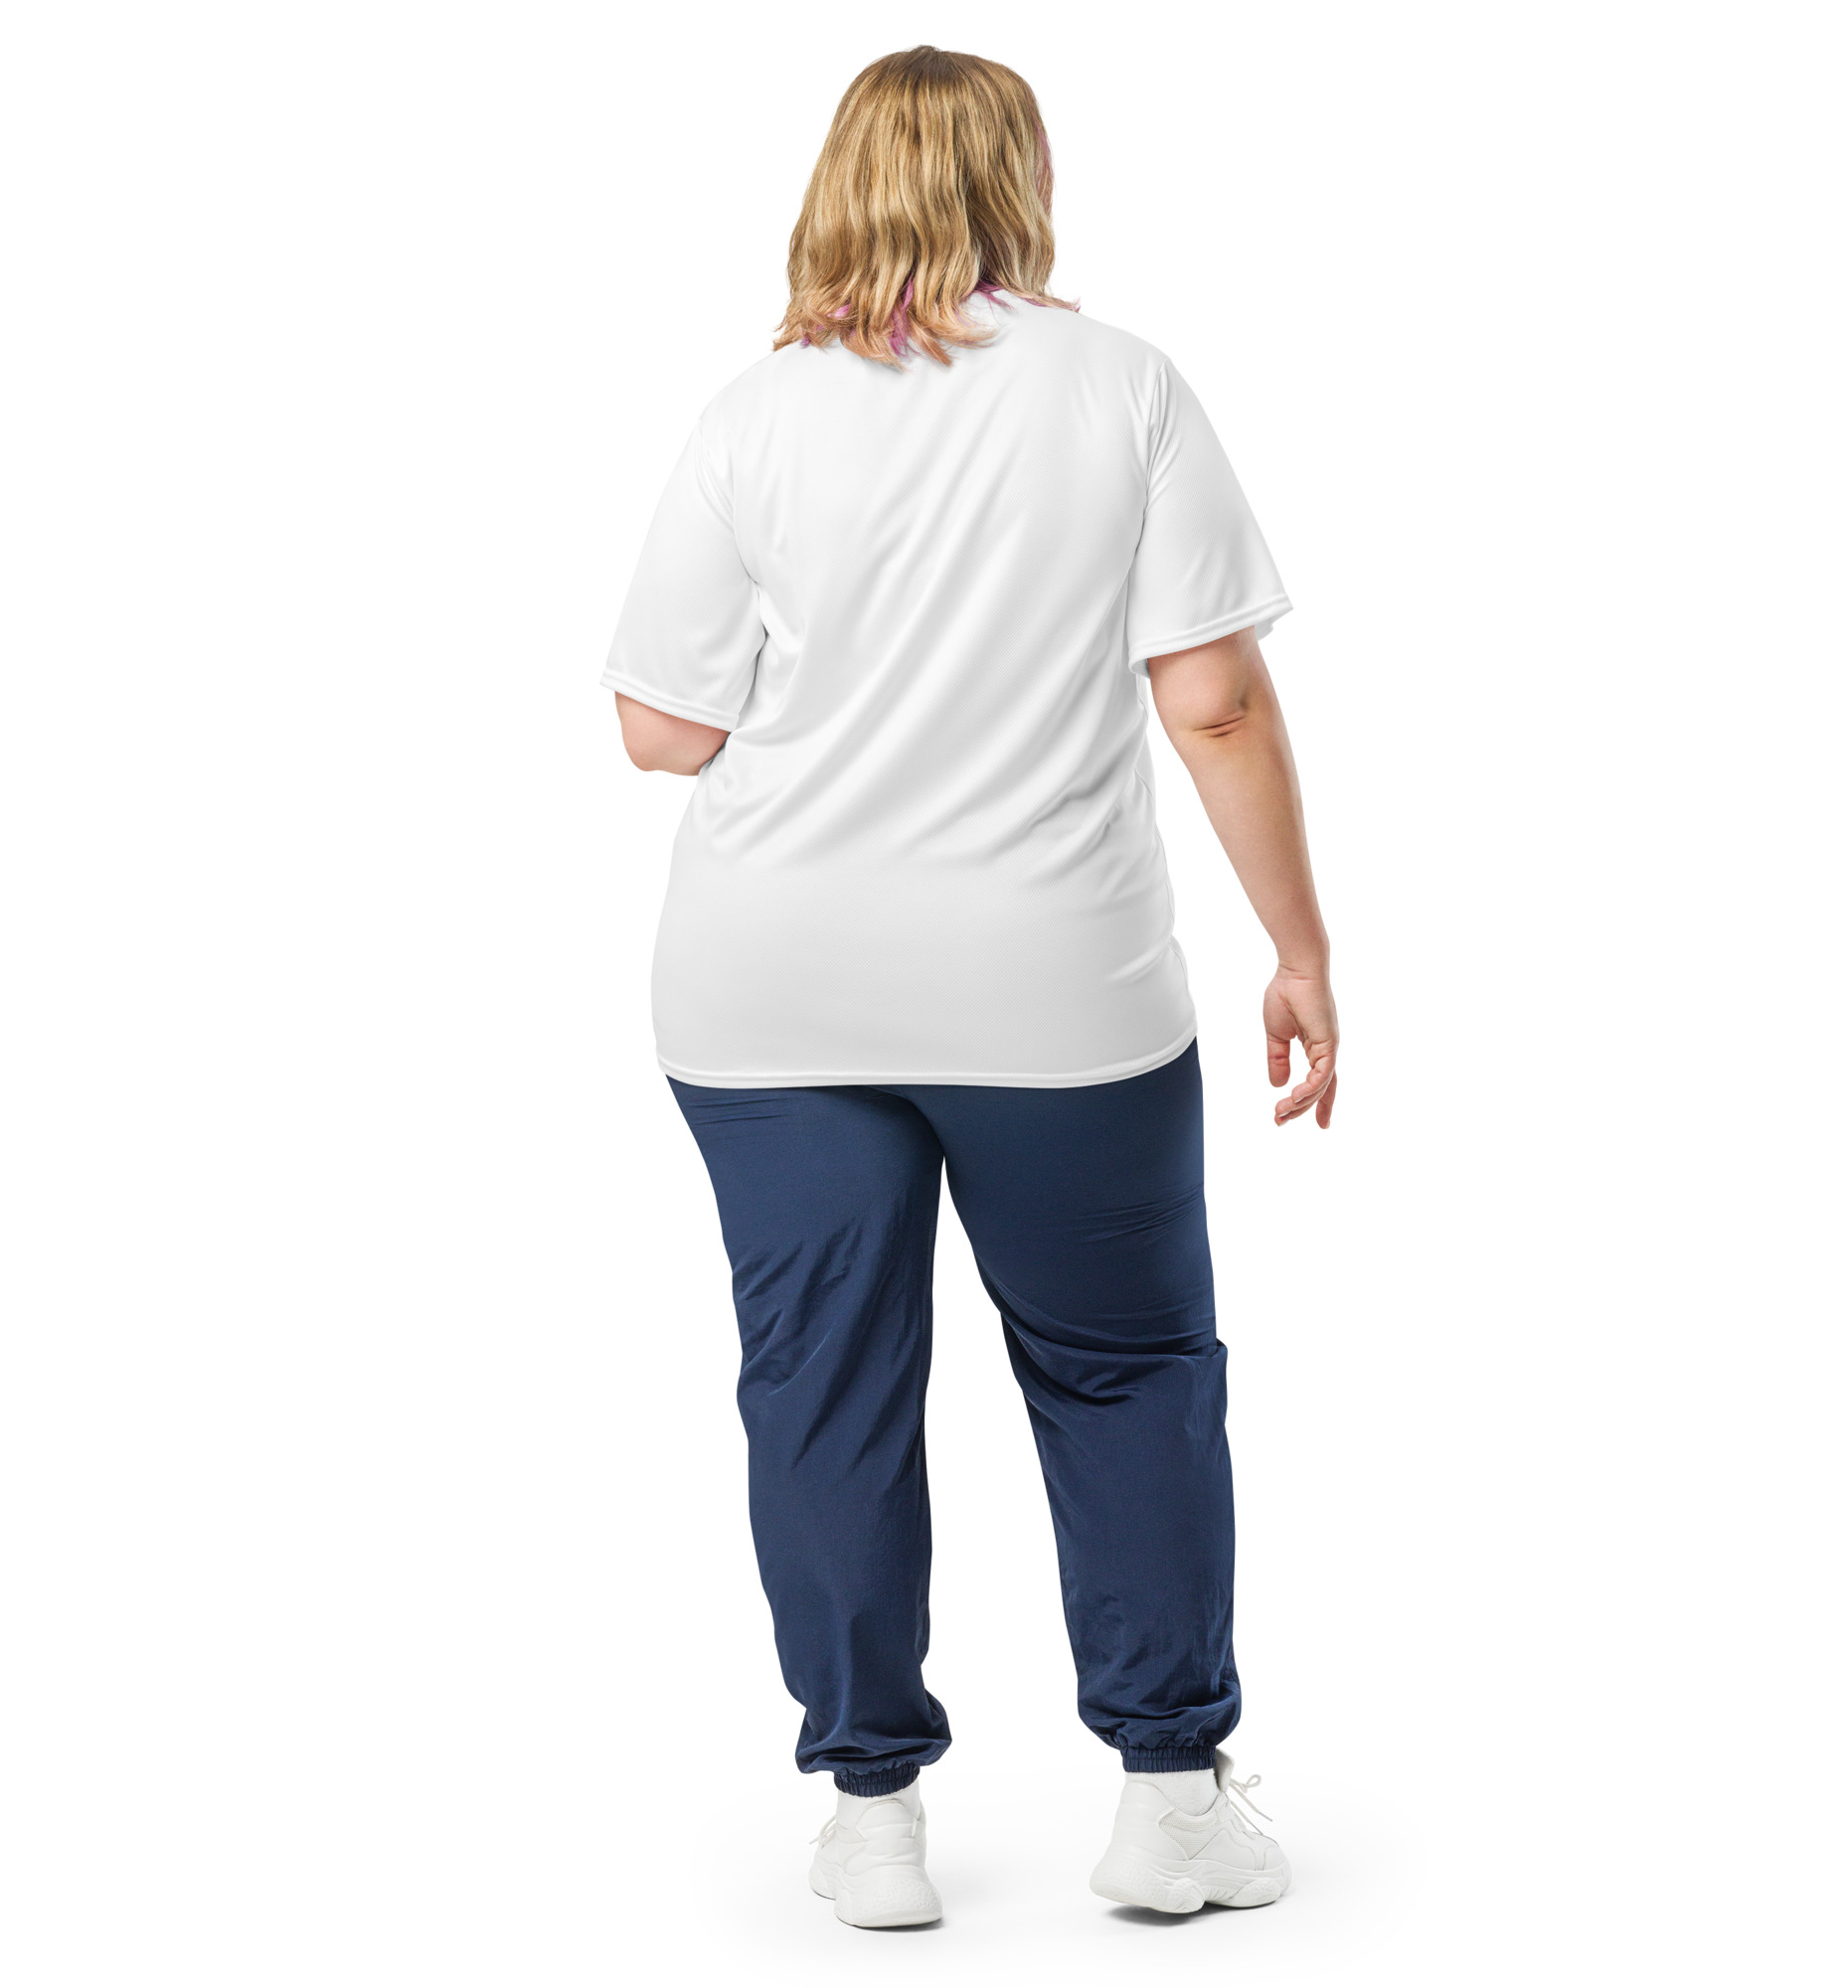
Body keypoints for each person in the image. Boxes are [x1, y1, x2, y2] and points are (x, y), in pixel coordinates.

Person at [602, 46, 1337, 1928]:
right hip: (1058, 994)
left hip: (769, 995)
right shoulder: (1125, 389)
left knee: (823, 1388)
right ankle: (1169, 1800)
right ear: (1022, 177)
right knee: (1126, 1371)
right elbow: (1215, 700)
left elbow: (660, 729)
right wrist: (1300, 947)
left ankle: (871, 1821)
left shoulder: (753, 416)